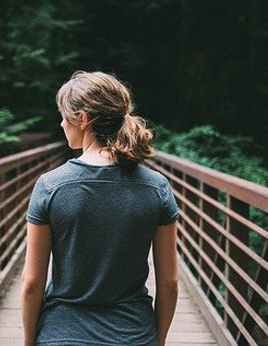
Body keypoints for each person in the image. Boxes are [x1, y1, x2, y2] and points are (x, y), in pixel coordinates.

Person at [20, 70, 180, 346]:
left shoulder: (50, 186)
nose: (61, 124)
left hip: (63, 336)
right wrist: (158, 340)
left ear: (82, 120)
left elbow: (32, 283)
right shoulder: (156, 188)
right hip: (133, 335)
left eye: (64, 116)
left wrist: (27, 343)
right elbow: (170, 284)